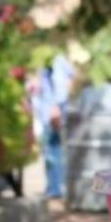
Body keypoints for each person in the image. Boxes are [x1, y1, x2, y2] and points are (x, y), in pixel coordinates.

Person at [30, 53, 73, 199]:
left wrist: (56, 108)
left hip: (52, 115)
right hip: (48, 115)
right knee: (52, 153)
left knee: (54, 154)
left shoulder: (56, 60)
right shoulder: (50, 60)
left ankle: (56, 189)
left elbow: (61, 86)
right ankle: (53, 187)